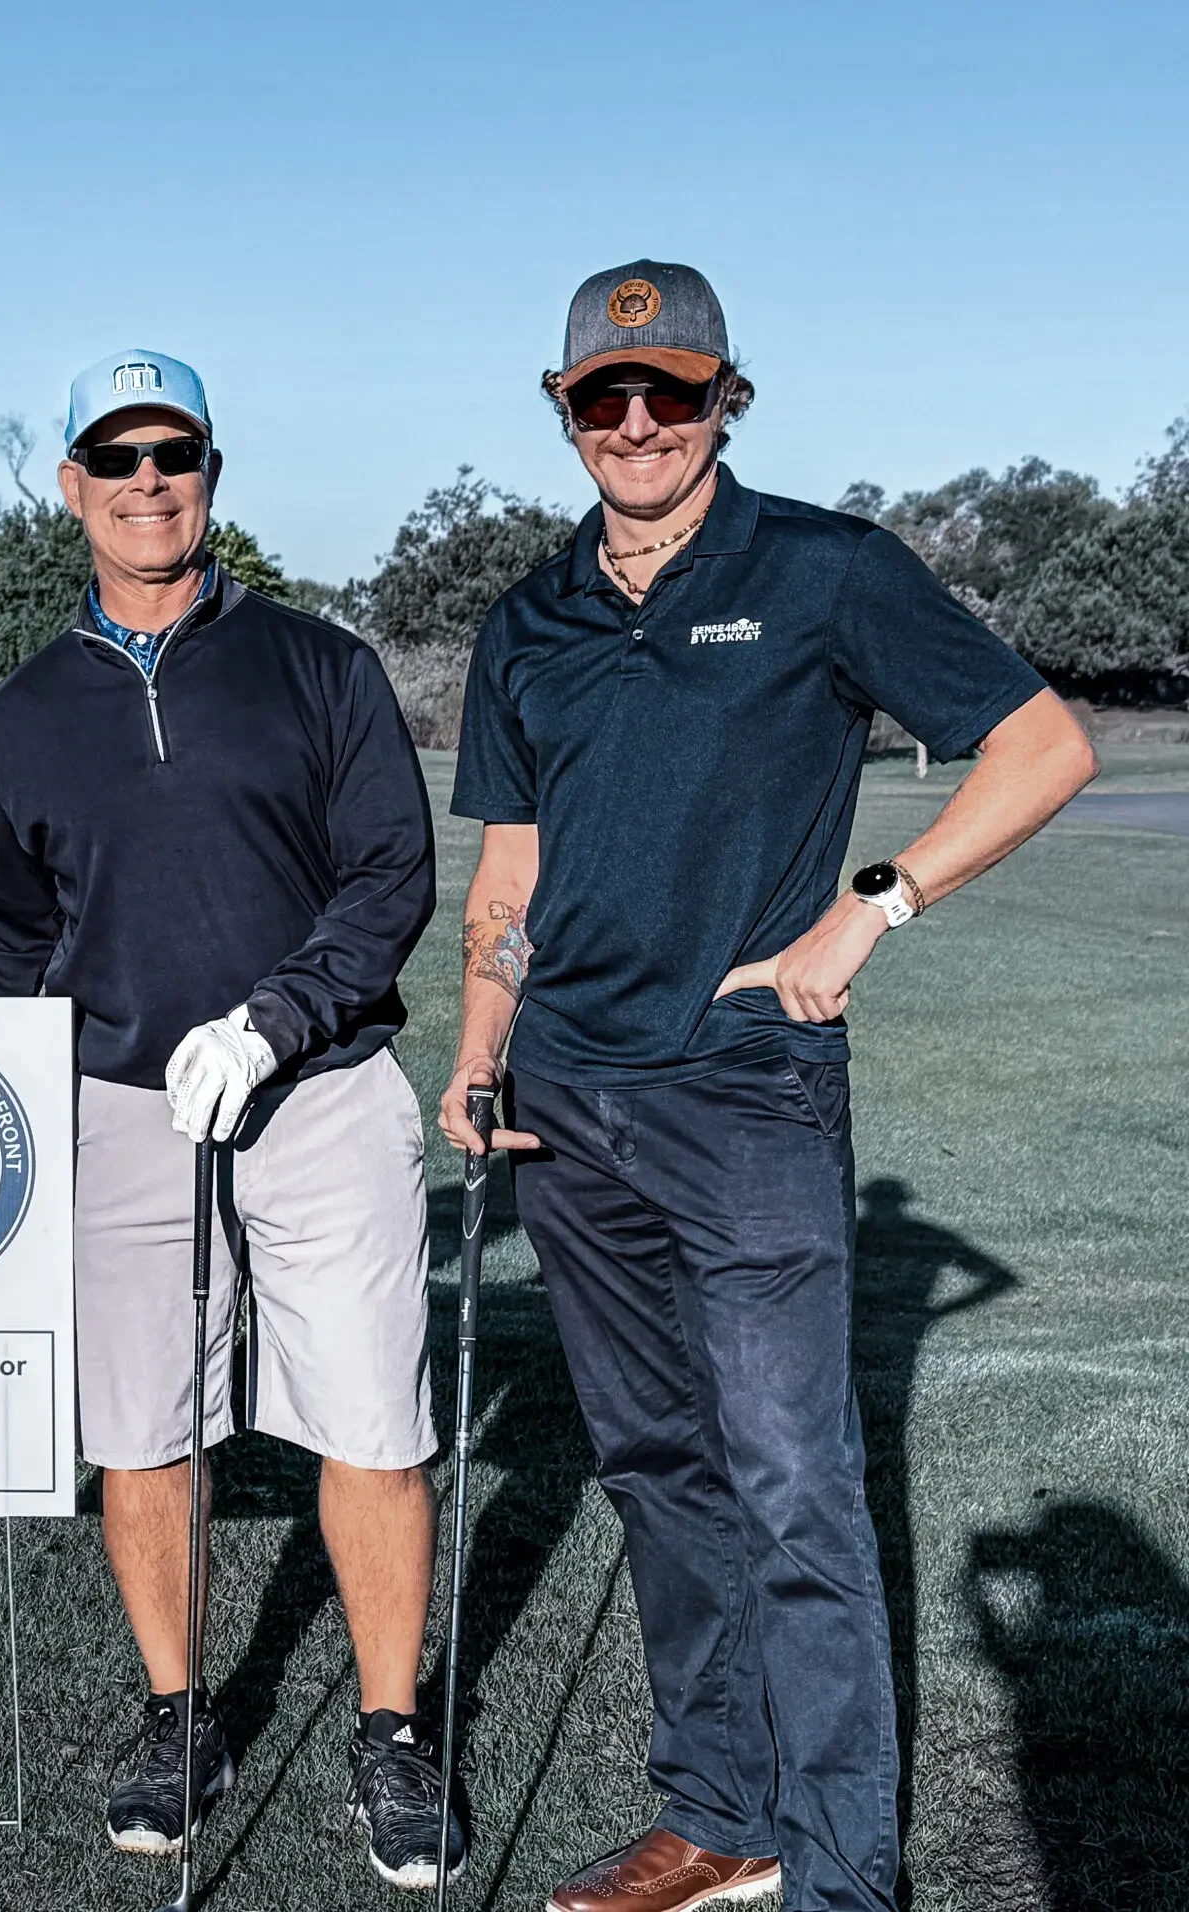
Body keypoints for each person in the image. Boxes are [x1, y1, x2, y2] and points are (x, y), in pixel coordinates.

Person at [440, 261, 1098, 1912]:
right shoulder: (529, 617)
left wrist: (874, 907)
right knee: (659, 1470)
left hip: (744, 1095)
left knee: (792, 1484)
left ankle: (844, 1874)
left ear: (729, 393)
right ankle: (721, 1813)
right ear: (566, 410)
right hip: (567, 1105)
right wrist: (472, 1050)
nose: (641, 420)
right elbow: (508, 872)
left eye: (673, 389)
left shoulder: (825, 568)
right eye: (608, 396)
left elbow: (1044, 744)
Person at [0, 349, 463, 1888]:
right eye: (117, 458)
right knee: (144, 1432)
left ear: (213, 473)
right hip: (119, 1111)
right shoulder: (27, 709)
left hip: (318, 1090)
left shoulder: (318, 664)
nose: (148, 481)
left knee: (372, 1417)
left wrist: (274, 1020)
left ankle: (388, 1729)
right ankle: (178, 1712)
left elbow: (390, 878)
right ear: (71, 487)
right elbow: (3, 926)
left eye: (175, 454)